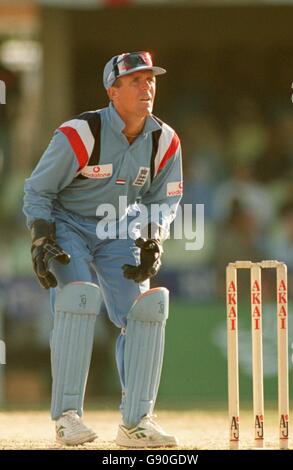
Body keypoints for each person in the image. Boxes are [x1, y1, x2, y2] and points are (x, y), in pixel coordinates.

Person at [23, 51, 183, 448]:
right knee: (78, 300)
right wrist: (42, 236)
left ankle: (137, 420)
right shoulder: (81, 133)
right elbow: (38, 190)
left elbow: (164, 199)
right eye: (135, 81)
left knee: (146, 311)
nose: (147, 87)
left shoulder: (164, 140)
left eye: (150, 80)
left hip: (119, 227)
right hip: (68, 224)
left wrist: (152, 237)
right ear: (113, 91)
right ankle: (68, 417)